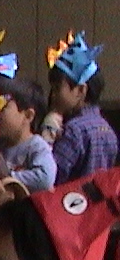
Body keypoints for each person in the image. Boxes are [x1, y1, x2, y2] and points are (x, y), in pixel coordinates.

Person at [49, 32, 117, 185]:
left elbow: (53, 176)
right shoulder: (108, 131)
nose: (53, 95)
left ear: (81, 90)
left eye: (57, 88)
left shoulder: (73, 130)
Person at [0, 76, 55, 200]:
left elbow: (45, 178)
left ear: (28, 116)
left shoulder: (36, 146)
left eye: (3, 108)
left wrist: (9, 175)